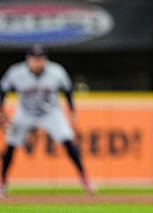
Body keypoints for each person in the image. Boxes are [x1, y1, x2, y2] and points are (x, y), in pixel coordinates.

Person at [0, 44, 94, 197]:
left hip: (51, 112)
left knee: (68, 141)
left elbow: (68, 90)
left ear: (45, 59)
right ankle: (2, 182)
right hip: (25, 112)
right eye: (34, 58)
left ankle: (85, 179)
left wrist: (72, 111)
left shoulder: (56, 72)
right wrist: (1, 112)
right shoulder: (16, 72)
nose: (37, 61)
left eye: (40, 58)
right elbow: (2, 90)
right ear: (28, 59)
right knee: (10, 145)